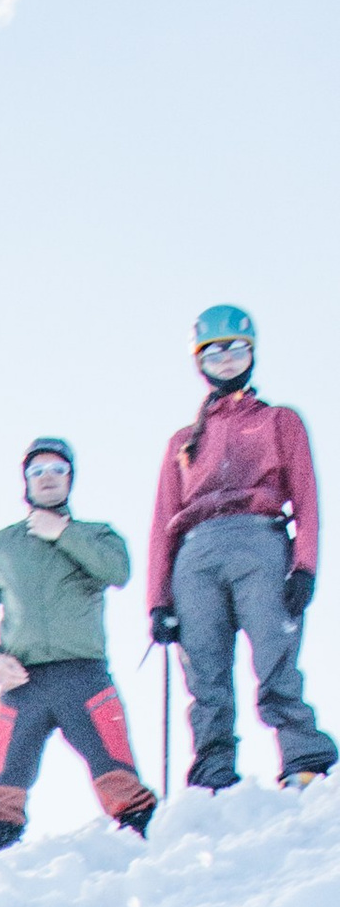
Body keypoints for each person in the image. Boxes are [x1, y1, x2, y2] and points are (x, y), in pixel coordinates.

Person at [147, 307, 334, 792]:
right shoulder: (183, 442)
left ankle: (304, 757)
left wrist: (305, 565)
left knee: (275, 657)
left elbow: (307, 496)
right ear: (199, 361)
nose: (226, 359)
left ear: (251, 353)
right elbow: (162, 526)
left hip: (260, 542)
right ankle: (212, 774)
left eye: (236, 348)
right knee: (205, 672)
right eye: (214, 350)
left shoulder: (279, 421)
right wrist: (158, 601)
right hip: (196, 556)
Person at [0, 437, 155, 853]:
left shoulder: (97, 535)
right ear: (25, 483)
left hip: (83, 678)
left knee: (120, 782)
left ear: (71, 479)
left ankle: (144, 865)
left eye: (57, 470)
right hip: (22, 686)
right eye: (37, 471)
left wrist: (63, 532)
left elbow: (117, 571)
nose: (47, 478)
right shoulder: (1, 545)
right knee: (1, 798)